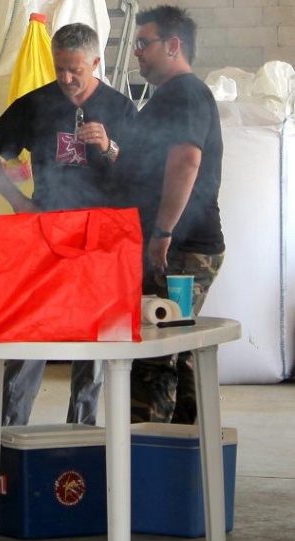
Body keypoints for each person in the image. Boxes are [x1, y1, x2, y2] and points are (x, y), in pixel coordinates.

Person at [0, 22, 137, 428]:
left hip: (102, 233)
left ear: (96, 63)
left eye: (75, 70)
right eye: (59, 68)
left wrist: (110, 147)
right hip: (45, 230)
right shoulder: (36, 104)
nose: (66, 78)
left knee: (98, 337)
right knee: (30, 331)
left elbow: (145, 173)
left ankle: (81, 429)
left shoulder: (120, 109)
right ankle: (9, 433)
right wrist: (18, 201)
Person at [112, 5, 225, 423]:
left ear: (174, 46)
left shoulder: (185, 92)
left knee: (155, 354)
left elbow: (185, 163)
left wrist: (162, 232)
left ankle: (146, 455)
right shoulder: (169, 97)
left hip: (180, 250)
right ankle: (186, 455)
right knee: (178, 348)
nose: (137, 52)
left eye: (144, 44)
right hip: (175, 247)